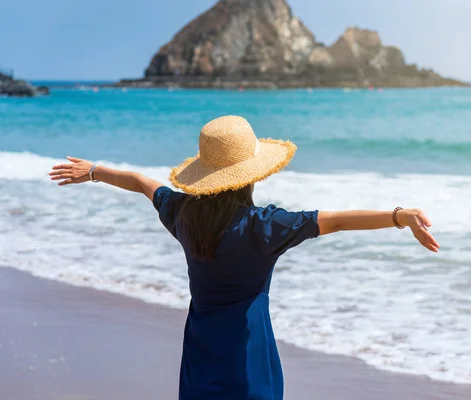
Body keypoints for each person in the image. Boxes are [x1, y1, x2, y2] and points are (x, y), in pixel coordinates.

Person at [48, 115, 439, 400]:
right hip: (249, 356)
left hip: (201, 351)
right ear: (251, 175)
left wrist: (95, 171)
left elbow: (142, 183)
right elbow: (333, 221)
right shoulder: (263, 227)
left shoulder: (182, 214)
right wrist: (397, 216)